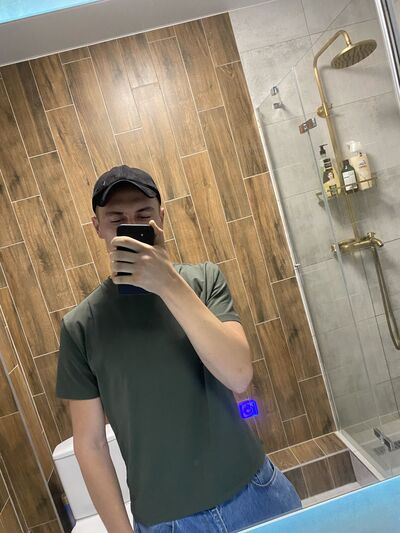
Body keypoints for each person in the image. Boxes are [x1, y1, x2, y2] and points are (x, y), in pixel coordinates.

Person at [56, 165, 301, 533]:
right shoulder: (81, 326)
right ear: (98, 227)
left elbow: (239, 376)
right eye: (116, 220)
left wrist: (168, 283)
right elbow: (90, 444)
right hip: (167, 523)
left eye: (143, 215)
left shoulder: (204, 281)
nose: (131, 227)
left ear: (161, 217)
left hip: (255, 492)